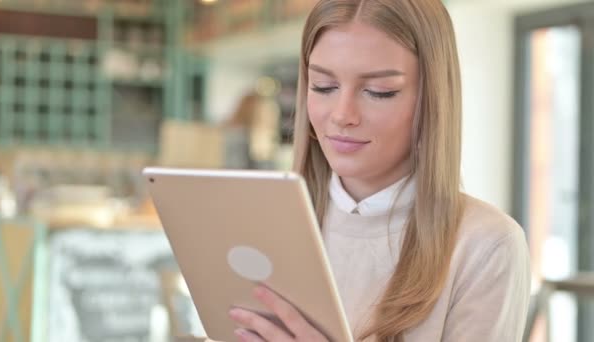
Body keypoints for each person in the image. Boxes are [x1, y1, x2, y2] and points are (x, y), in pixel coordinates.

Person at [228, 0, 531, 341]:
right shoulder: (266, 223)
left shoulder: (485, 245)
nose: (343, 115)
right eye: (323, 87)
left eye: (378, 92)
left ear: (432, 99)